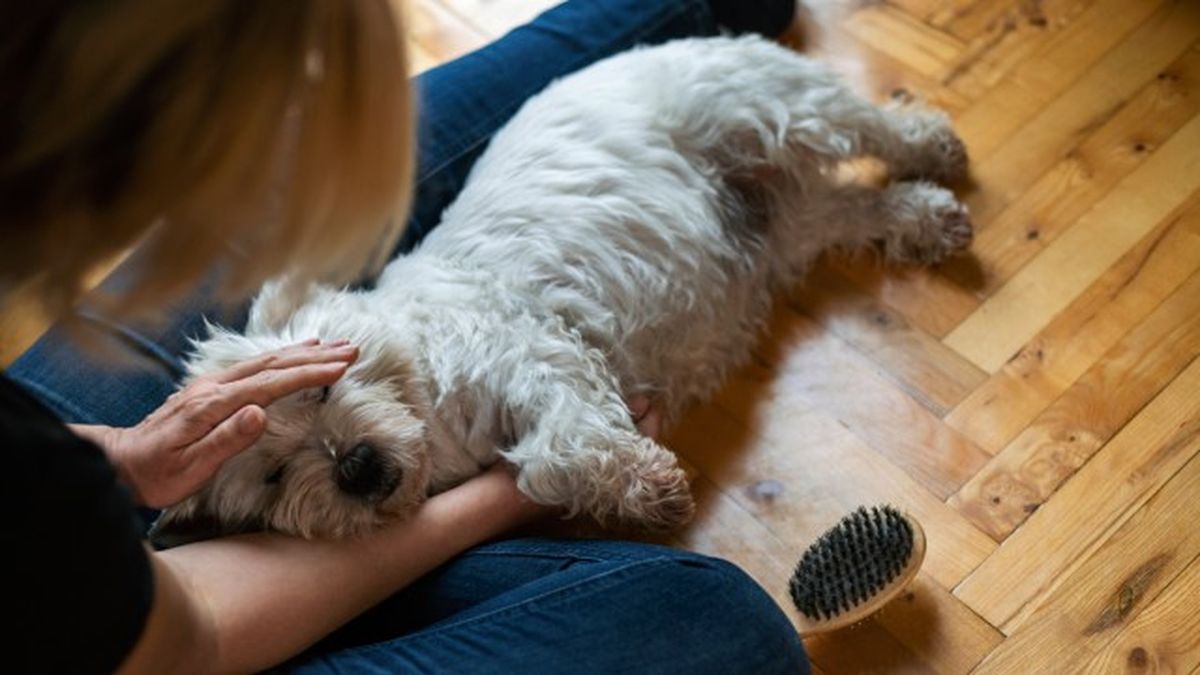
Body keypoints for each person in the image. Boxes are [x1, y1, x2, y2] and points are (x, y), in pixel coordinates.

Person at [2, 0, 810, 672]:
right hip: (165, 642)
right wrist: (508, 495)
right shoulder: (50, 511)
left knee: (310, 203)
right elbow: (200, 631)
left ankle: (708, 22)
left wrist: (113, 451)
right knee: (713, 625)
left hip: (55, 511)